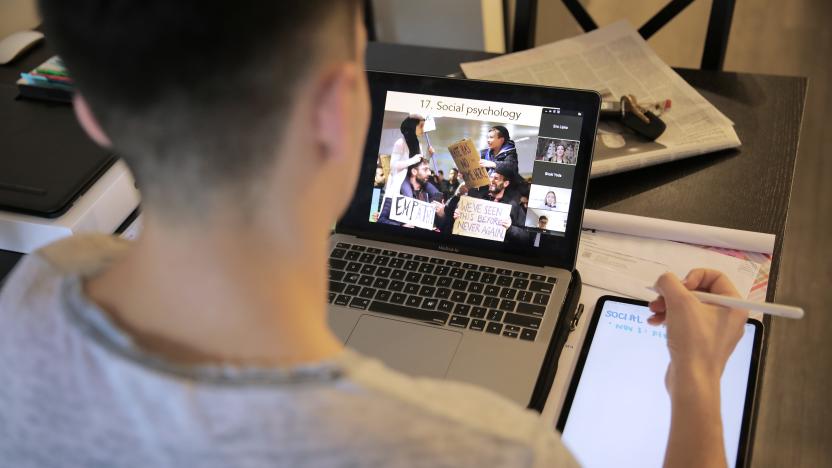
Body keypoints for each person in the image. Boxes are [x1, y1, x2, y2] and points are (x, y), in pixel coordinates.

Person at [0, 2, 750, 467]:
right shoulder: (491, 451)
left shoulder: (34, 293)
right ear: (339, 107)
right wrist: (696, 383)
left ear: (89, 109)